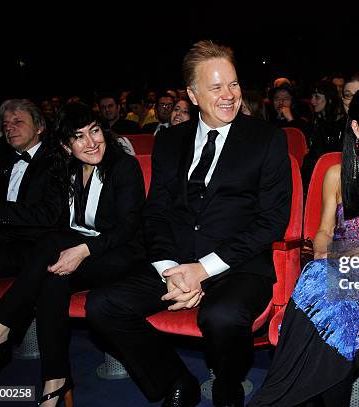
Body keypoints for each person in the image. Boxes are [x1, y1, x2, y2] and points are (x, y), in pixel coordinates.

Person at [85, 40, 292, 407]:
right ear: (194, 95)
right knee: (102, 304)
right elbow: (156, 214)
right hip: (175, 262)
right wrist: (170, 269)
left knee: (222, 315)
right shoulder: (169, 141)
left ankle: (228, 384)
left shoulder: (267, 139)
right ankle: (177, 380)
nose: (229, 95)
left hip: (238, 264)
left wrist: (203, 270)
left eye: (233, 83)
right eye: (216, 87)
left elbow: (271, 222)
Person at [248, 87, 359, 406]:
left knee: (319, 287)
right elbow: (323, 232)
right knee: (328, 294)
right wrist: (322, 253)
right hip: (339, 276)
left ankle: (273, 398)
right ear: (357, 128)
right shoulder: (336, 174)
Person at [0, 102, 146, 406]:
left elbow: (128, 229)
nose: (91, 143)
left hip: (120, 252)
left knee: (52, 253)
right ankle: (56, 380)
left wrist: (82, 250)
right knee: (53, 275)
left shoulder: (123, 166)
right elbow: (58, 221)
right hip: (80, 250)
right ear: (65, 145)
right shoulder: (69, 170)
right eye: (79, 137)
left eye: (95, 131)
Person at [0, 99, 66, 298]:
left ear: (39, 127)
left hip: (36, 248)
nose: (9, 128)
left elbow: (50, 215)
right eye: (5, 125)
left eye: (17, 122)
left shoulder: (57, 161)